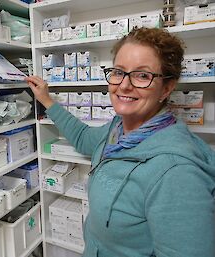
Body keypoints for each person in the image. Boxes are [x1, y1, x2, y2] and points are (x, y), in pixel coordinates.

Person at [25, 27, 215, 257]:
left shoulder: (177, 172)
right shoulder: (119, 127)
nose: (124, 85)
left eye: (142, 75)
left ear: (167, 88)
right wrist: (47, 100)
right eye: (118, 72)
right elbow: (85, 139)